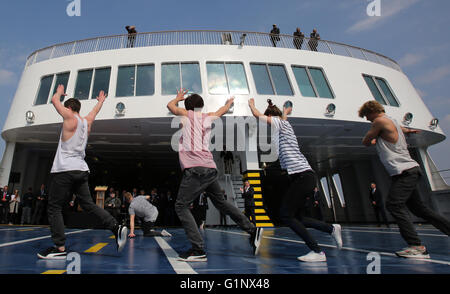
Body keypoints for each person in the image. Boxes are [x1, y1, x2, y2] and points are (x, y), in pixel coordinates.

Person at [167, 88, 263, 262]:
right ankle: (252, 229)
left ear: (188, 107)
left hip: (195, 169)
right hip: (210, 169)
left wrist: (178, 98)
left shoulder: (186, 115)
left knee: (181, 206)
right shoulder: (208, 117)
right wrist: (228, 103)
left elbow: (170, 106)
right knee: (222, 203)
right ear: (201, 106)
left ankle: (198, 249)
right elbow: (222, 110)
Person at [37, 84, 127, 260]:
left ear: (69, 108)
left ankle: (60, 248)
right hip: (81, 169)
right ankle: (115, 226)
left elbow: (54, 100)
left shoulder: (69, 116)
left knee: (54, 207)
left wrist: (59, 93)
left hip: (64, 169)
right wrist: (101, 101)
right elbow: (94, 112)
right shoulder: (87, 122)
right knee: (88, 204)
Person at [248, 98, 342, 262]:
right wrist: (285, 112)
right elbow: (282, 118)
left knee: (285, 215)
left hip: (302, 176)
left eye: (268, 119)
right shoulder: (283, 126)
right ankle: (330, 229)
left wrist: (251, 105)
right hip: (302, 176)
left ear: (272, 117)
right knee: (297, 218)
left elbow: (258, 115)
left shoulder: (279, 123)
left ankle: (317, 251)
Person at [359, 100, 450, 258]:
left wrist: (375, 139)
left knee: (394, 205)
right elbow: (400, 129)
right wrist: (407, 131)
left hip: (404, 171)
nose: (367, 119)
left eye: (367, 116)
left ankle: (416, 246)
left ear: (372, 111)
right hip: (407, 170)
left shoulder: (379, 121)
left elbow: (365, 141)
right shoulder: (392, 121)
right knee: (419, 209)